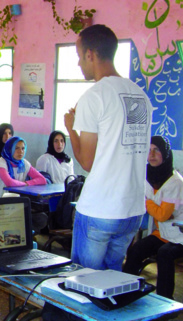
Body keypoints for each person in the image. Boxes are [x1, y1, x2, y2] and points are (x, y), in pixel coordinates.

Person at [64, 24, 152, 271]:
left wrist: (71, 128)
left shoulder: (95, 96)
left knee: (84, 284)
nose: (79, 63)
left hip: (100, 209)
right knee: (111, 285)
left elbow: (87, 162)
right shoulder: (140, 95)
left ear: (90, 54)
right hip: (132, 210)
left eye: (80, 57)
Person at [123, 136, 183, 299]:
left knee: (165, 254)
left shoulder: (176, 182)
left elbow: (162, 215)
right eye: (149, 150)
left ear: (165, 154)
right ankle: (126, 291)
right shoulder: (146, 176)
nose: (152, 154)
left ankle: (164, 302)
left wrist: (146, 203)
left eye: (156, 150)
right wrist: (153, 206)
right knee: (136, 249)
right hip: (163, 233)